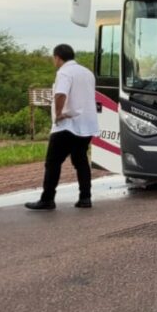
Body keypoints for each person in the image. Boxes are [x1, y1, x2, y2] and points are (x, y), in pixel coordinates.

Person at [25, 44, 99, 210]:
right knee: (80, 160)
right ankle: (85, 197)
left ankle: (47, 199)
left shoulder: (64, 72)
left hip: (67, 124)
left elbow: (60, 93)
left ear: (57, 57)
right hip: (86, 124)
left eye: (54, 58)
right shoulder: (87, 72)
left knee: (53, 162)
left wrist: (58, 113)